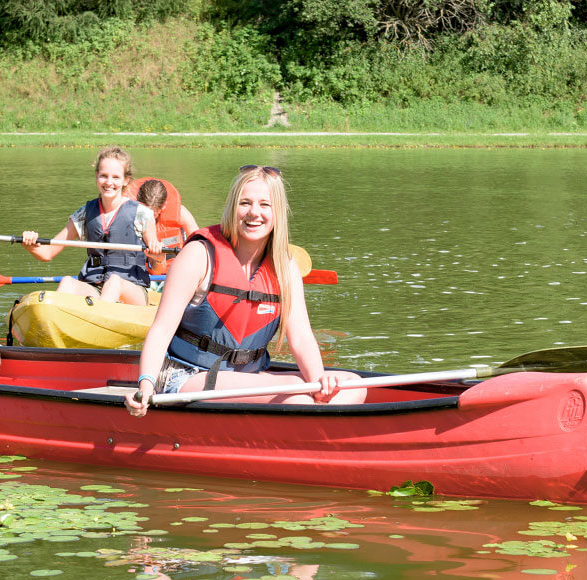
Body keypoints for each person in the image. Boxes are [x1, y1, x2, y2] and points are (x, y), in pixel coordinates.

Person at [124, 165, 365, 417]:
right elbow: (161, 330)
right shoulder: (198, 255)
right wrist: (146, 386)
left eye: (265, 205)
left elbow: (301, 337)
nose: (254, 213)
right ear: (232, 207)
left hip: (249, 376)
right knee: (297, 393)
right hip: (186, 375)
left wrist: (320, 383)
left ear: (278, 212)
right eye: (245, 203)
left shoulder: (285, 265)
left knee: (352, 385)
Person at [20, 146, 165, 305]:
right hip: (95, 287)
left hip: (132, 290)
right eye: (104, 176)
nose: (109, 182)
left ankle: (97, 318)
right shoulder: (84, 214)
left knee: (114, 282)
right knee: (68, 282)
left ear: (126, 180)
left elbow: (158, 269)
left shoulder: (142, 214)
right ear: (96, 176)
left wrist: (158, 256)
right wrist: (30, 244)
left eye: (116, 177)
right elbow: (47, 253)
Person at [130, 177, 201, 281]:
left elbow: (200, 243)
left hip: (177, 274)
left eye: (152, 214)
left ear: (163, 206)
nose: (149, 219)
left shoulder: (181, 213)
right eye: (145, 215)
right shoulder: (130, 216)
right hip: (144, 275)